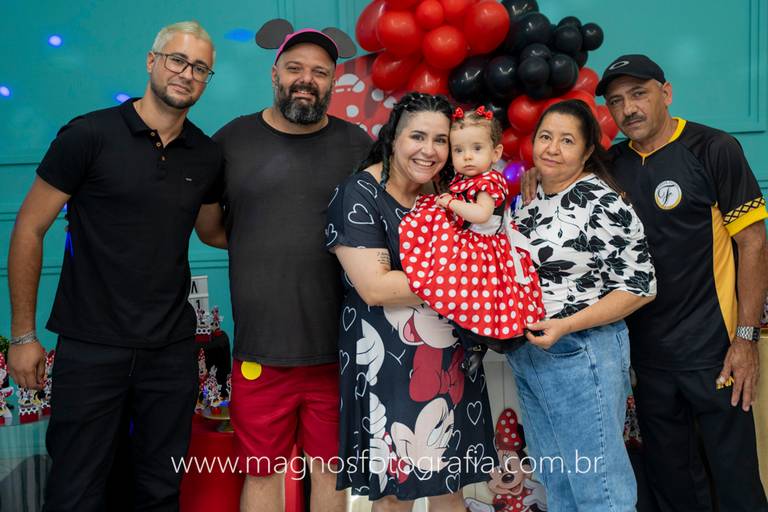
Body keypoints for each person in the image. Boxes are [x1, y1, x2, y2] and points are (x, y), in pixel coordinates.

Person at [7, 21, 221, 511]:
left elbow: (214, 231)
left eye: (200, 68)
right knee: (76, 492)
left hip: (169, 352)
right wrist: (23, 336)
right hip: (91, 347)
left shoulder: (206, 154)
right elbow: (29, 229)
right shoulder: (88, 135)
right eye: (177, 60)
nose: (187, 74)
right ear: (152, 61)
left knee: (159, 491)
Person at [194, 26, 372, 512]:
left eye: (320, 72)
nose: (306, 79)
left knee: (331, 473)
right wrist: (261, 240)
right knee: (261, 473)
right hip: (260, 351)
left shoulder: (356, 145)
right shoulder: (232, 140)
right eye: (295, 68)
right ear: (275, 74)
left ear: (332, 82)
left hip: (338, 349)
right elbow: (211, 228)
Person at [595, 54, 768, 511]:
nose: (628, 108)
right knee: (673, 487)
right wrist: (534, 174)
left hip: (715, 354)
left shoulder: (713, 148)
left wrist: (746, 339)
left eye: (639, 94)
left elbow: (753, 243)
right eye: (617, 101)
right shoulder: (611, 166)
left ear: (666, 93)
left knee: (735, 485)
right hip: (648, 361)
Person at [326, 92, 497, 511]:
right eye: (418, 137)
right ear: (393, 138)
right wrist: (469, 277)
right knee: (395, 493)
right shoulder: (358, 194)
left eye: (441, 140)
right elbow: (376, 287)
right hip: (387, 362)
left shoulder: (446, 193)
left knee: (451, 487)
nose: (430, 150)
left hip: (450, 361)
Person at [510, 99, 657, 511]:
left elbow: (641, 287)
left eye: (567, 141)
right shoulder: (532, 196)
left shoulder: (600, 201)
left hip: (582, 354)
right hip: (531, 355)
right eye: (545, 137)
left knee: (599, 489)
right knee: (557, 483)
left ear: (588, 150)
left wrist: (567, 325)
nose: (552, 149)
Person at [398, 105, 545, 373]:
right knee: (460, 292)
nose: (467, 157)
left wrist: (450, 203)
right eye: (458, 150)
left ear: (495, 153)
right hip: (473, 241)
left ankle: (476, 343)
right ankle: (472, 341)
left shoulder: (488, 182)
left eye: (476, 149)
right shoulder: (467, 178)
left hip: (484, 248)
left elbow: (480, 214)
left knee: (468, 293)